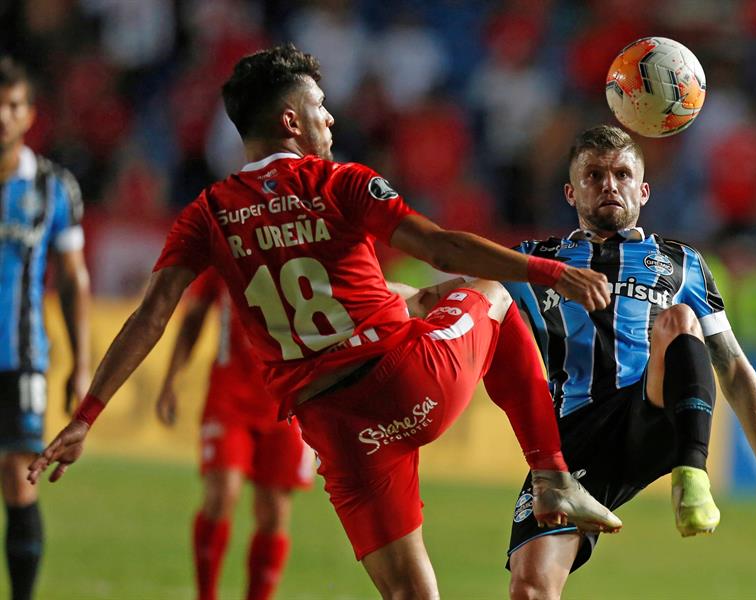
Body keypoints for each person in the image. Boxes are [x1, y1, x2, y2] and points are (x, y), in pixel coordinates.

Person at [27, 44, 622, 599]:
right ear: (292, 121)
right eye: (320, 107)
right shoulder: (338, 182)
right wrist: (544, 270)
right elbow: (440, 248)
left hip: (334, 428)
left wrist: (85, 417)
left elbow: (150, 317)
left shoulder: (207, 213)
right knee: (492, 290)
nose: (330, 120)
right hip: (407, 378)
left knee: (410, 594)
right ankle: (550, 474)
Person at [500, 125, 756, 599]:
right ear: (570, 191)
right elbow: (465, 306)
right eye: (593, 175)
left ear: (643, 189)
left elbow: (736, 370)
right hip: (572, 440)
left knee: (680, 318)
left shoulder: (682, 263)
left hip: (652, 411)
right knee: (530, 587)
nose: (609, 185)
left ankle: (692, 475)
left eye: (621, 174)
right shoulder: (533, 262)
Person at [155, 269, 314, 600]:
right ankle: (207, 595)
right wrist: (172, 378)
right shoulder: (228, 237)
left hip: (289, 396)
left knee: (274, 512)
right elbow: (195, 314)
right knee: (222, 492)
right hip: (230, 395)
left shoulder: (307, 238)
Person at [0, 56, 91, 600]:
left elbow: (76, 281)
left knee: (18, 476)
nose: (2, 118)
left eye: (12, 107)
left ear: (30, 114)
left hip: (22, 357)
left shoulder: (54, 187)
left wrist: (81, 366)